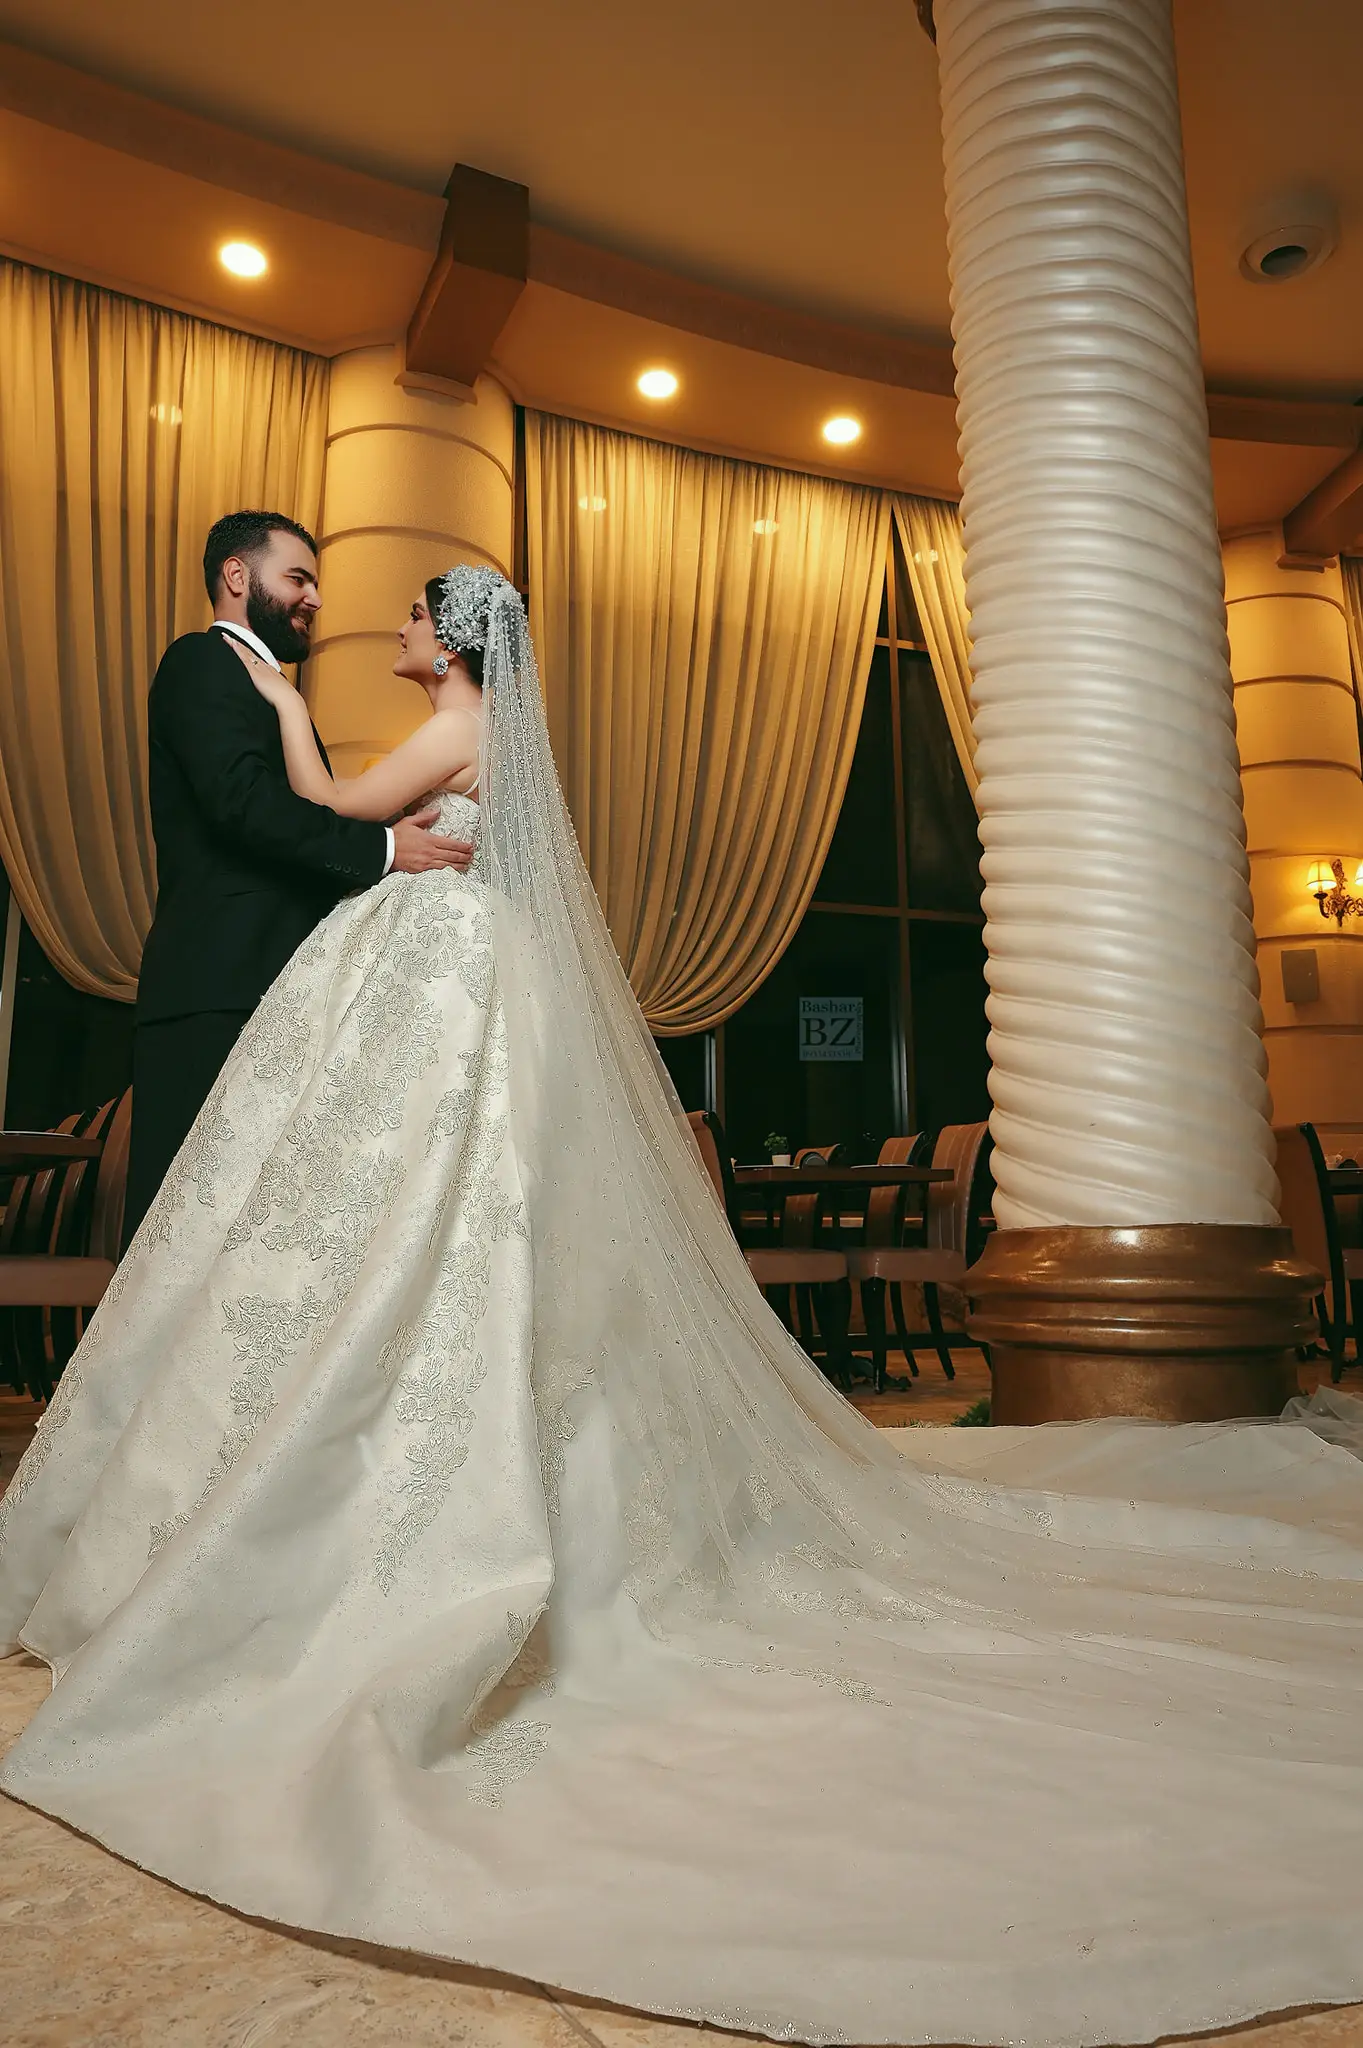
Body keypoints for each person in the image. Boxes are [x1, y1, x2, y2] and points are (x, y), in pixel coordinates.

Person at [2, 567, 1362, 2048]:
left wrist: (274, 703)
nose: (381, 635)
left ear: (449, 646)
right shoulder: (504, 746)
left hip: (428, 976)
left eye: (402, 620)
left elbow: (334, 805)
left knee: (401, 1217)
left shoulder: (460, 726)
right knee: (423, 1220)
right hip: (456, 970)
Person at [123, 510, 475, 1245]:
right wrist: (384, 851)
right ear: (237, 576)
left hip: (268, 990)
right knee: (182, 1234)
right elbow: (243, 807)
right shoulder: (203, 661)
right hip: (216, 987)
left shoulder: (273, 690)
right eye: (299, 578)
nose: (315, 598)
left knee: (248, 1239)